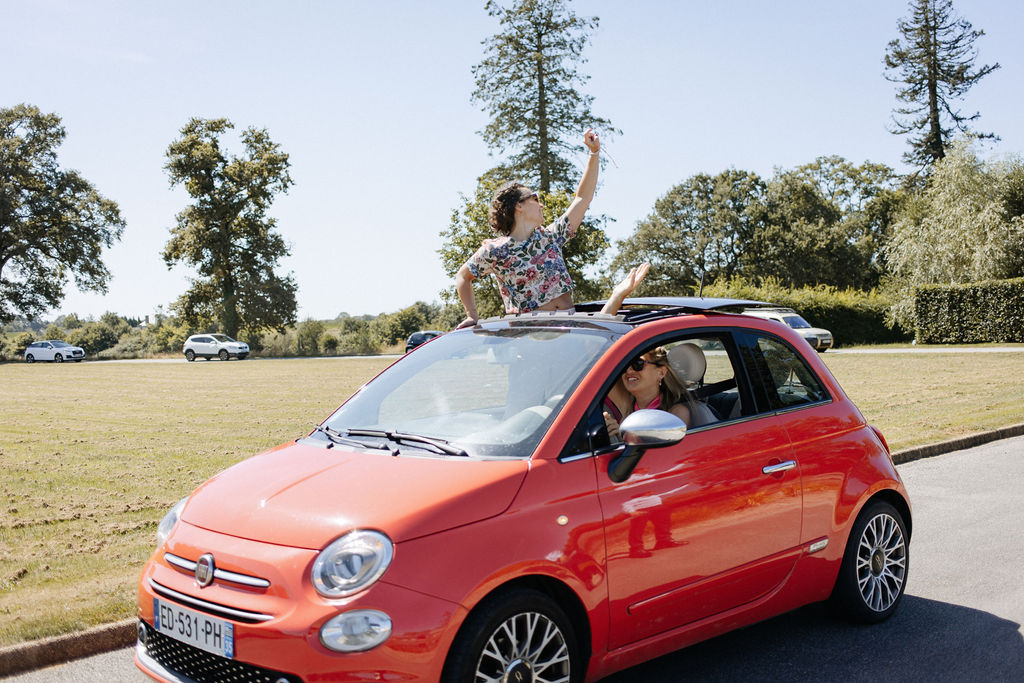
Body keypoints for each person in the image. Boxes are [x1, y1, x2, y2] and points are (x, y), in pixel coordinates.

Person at [455, 129, 602, 329]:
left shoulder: (550, 237)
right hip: (530, 336)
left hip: (567, 331)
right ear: (519, 206)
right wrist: (472, 315)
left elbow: (583, 198)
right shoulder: (495, 250)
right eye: (535, 198)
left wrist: (594, 154)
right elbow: (463, 276)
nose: (540, 204)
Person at [603, 345, 698, 442]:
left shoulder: (677, 414)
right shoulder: (629, 415)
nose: (628, 370)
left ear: (661, 372)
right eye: (624, 366)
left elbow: (664, 454)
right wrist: (617, 436)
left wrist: (628, 437)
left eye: (638, 363)